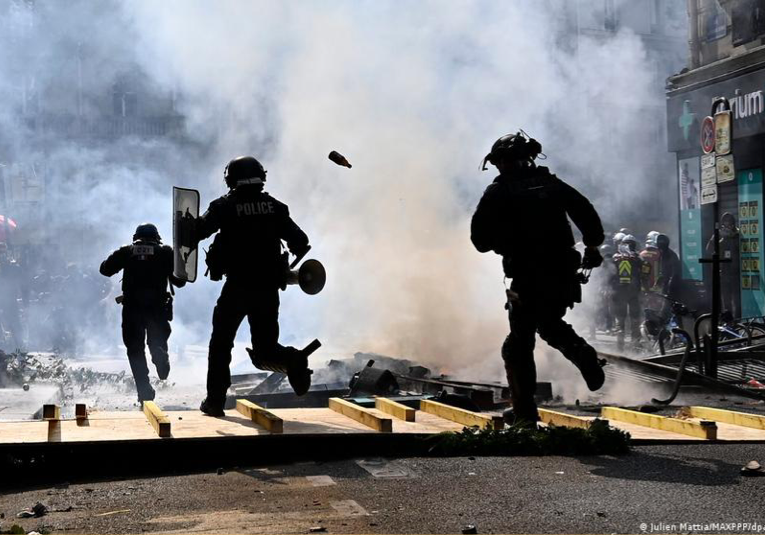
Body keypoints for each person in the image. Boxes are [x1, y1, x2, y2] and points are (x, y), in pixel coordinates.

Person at [470, 131, 606, 426]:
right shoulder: (553, 185)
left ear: (503, 162)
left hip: (526, 275)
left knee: (518, 344)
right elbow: (586, 213)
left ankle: (524, 415)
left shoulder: (499, 192)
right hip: (562, 272)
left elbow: (479, 239)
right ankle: (584, 356)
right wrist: (593, 245)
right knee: (547, 323)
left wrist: (504, 242)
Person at [192, 156, 316, 417]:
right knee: (266, 348)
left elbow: (196, 233)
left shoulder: (224, 206)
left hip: (237, 287)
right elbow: (301, 241)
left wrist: (186, 222)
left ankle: (215, 401)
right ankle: (293, 360)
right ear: (261, 176)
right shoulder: (275, 207)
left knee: (221, 343)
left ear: (230, 178)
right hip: (267, 289)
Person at [100, 223, 184, 402]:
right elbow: (180, 281)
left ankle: (144, 389)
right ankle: (159, 353)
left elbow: (105, 270)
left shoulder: (127, 251)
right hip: (157, 307)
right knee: (157, 339)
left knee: (135, 349)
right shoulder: (165, 252)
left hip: (132, 308)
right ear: (156, 238)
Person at [611, 234, 644, 351]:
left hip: (619, 293)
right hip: (634, 292)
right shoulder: (637, 257)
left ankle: (620, 346)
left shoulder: (615, 257)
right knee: (635, 318)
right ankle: (635, 345)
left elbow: (610, 275)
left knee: (620, 319)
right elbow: (645, 272)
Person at [706, 213, 740, 318]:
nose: (728, 225)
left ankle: (737, 320)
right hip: (724, 272)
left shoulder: (737, 234)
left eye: (730, 223)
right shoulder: (718, 234)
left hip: (736, 272)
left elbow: (742, 249)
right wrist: (720, 241)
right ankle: (728, 321)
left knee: (737, 300)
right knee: (726, 300)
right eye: (726, 223)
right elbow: (709, 249)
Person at [0, 243, 27, 350]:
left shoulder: (13, 268)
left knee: (16, 329)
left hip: (10, 303)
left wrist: (26, 304)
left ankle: (21, 354)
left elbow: (24, 286)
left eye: (2, 252)